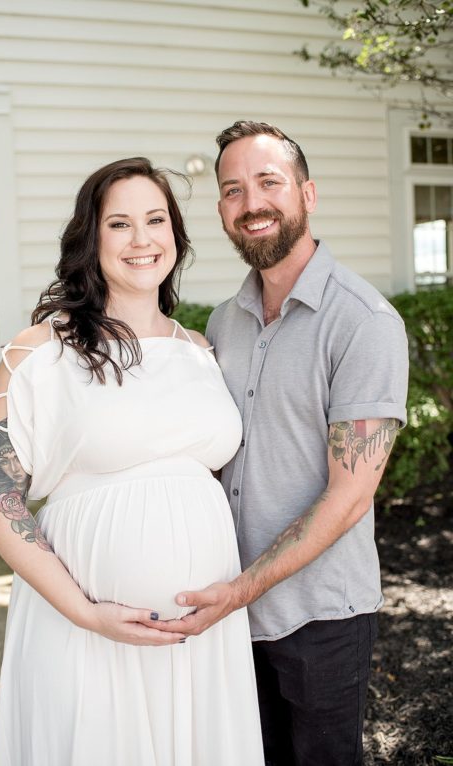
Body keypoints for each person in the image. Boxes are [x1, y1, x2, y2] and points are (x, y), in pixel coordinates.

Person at [0, 157, 264, 765]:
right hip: (85, 628)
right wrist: (86, 613)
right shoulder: (41, 352)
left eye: (155, 220)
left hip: (201, 637)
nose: (142, 240)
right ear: (91, 238)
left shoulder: (203, 350)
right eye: (120, 224)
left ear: (176, 237)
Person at [151, 121, 409, 765]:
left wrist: (240, 590)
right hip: (229, 611)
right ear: (220, 211)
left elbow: (349, 498)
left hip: (319, 616)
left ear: (308, 194)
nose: (252, 203)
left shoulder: (364, 322)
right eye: (233, 190)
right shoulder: (222, 322)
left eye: (269, 182)